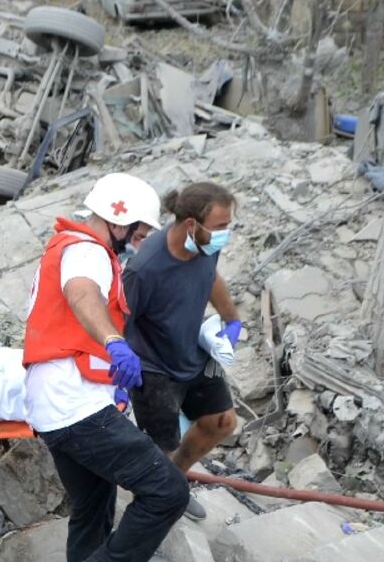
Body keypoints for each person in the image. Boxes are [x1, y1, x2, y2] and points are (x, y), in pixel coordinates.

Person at [22, 173, 189, 562]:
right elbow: (82, 293)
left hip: (56, 403)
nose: (139, 243)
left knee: (93, 511)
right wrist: (114, 342)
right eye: (138, 234)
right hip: (73, 404)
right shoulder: (87, 252)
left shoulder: (73, 248)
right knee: (168, 491)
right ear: (118, 221)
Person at [122, 181, 240, 521]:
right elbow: (122, 320)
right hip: (153, 364)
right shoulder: (146, 269)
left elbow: (210, 276)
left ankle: (173, 478)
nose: (225, 234)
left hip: (192, 350)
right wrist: (121, 368)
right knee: (162, 443)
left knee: (222, 421)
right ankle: (156, 499)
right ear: (191, 224)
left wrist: (232, 319)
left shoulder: (204, 245)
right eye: (221, 226)